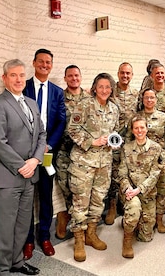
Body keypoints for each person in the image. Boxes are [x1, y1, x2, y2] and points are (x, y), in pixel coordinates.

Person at [0, 59, 46, 276]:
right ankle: (0, 270)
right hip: (7, 177)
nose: (19, 79)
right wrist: (22, 166)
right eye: (13, 75)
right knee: (5, 227)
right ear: (4, 78)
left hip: (30, 175)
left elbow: (41, 134)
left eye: (22, 75)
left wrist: (35, 160)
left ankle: (16, 262)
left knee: (22, 224)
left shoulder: (31, 103)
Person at [67, 73, 120, 262]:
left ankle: (91, 233)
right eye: (101, 86)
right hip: (84, 162)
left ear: (111, 89)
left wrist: (113, 142)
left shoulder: (114, 109)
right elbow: (72, 129)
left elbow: (115, 131)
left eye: (108, 87)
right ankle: (79, 240)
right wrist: (92, 141)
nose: (104, 90)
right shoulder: (84, 104)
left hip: (104, 163)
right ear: (95, 87)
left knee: (98, 200)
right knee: (80, 202)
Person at [23, 49, 66, 259]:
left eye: (48, 62)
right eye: (41, 61)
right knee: (27, 198)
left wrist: (49, 144)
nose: (45, 65)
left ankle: (45, 237)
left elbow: (60, 121)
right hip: (27, 154)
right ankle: (28, 240)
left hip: (48, 152)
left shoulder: (58, 92)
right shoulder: (24, 87)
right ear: (34, 63)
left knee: (46, 196)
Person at [127, 88, 165, 233]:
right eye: (146, 98)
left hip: (160, 161)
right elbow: (129, 140)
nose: (149, 100)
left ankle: (159, 220)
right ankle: (144, 218)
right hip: (141, 162)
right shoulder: (136, 117)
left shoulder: (163, 117)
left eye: (152, 97)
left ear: (156, 99)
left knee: (161, 190)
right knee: (144, 190)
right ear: (142, 100)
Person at [118, 115, 162, 258]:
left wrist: (140, 189)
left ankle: (133, 221)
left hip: (147, 192)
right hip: (130, 192)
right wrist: (128, 189)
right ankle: (127, 238)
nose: (139, 130)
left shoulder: (156, 148)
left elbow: (155, 174)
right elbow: (122, 173)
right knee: (134, 209)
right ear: (132, 130)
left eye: (142, 127)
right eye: (136, 128)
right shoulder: (127, 148)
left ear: (147, 128)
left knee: (146, 236)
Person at [55, 65, 91, 239]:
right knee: (66, 185)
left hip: (84, 152)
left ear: (81, 77)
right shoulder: (59, 97)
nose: (74, 78)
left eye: (76, 75)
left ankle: (80, 223)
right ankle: (66, 215)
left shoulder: (89, 98)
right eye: (70, 76)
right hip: (64, 150)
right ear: (65, 78)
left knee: (82, 188)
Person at [105, 62, 138, 225]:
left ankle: (124, 202)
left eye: (128, 73)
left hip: (130, 141)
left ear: (132, 75)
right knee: (112, 172)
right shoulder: (110, 91)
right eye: (122, 73)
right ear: (118, 73)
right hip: (113, 140)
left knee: (127, 172)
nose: (125, 76)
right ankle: (111, 204)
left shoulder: (136, 93)